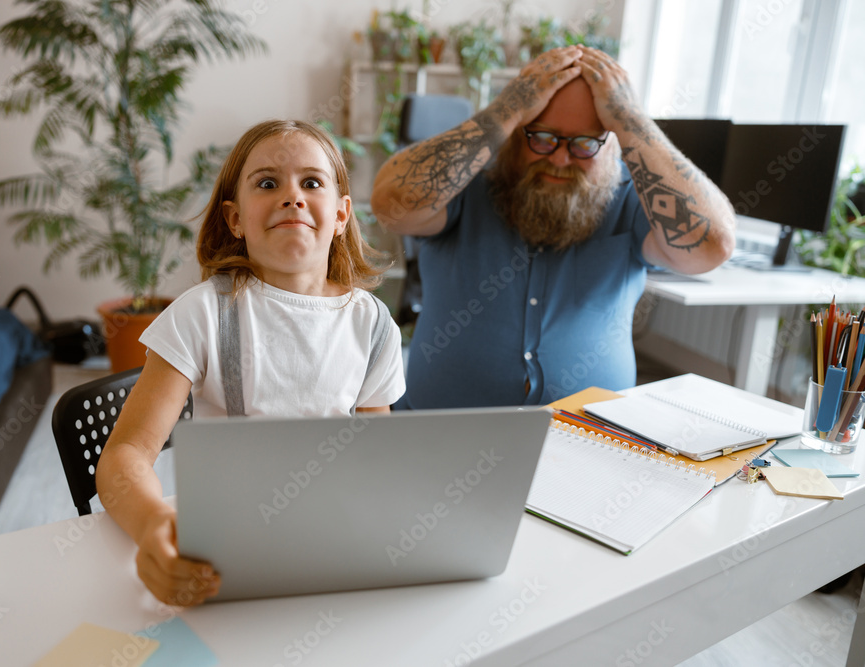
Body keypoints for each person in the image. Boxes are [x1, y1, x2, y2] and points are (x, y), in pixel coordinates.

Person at [96, 119, 406, 606]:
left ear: (342, 214)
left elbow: (379, 459)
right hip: (228, 559)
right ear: (235, 219)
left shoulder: (372, 323)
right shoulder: (202, 313)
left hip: (333, 550)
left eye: (312, 182)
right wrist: (153, 521)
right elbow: (124, 455)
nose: (292, 197)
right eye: (267, 183)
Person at [371, 45, 736, 409]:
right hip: (443, 434)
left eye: (585, 143)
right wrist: (505, 109)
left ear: (614, 143)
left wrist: (632, 121)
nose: (561, 158)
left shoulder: (633, 197)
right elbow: (390, 205)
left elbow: (712, 247)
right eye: (542, 138)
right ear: (516, 130)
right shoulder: (468, 183)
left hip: (592, 441)